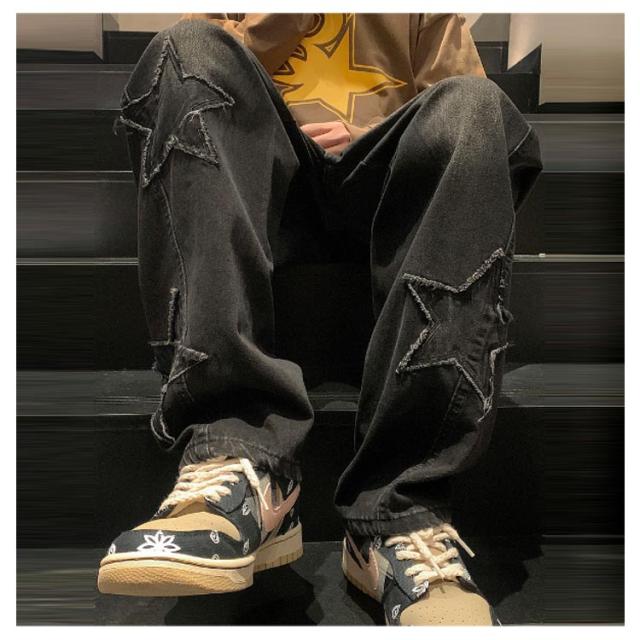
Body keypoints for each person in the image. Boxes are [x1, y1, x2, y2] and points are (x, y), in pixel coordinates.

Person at [96, 13, 542, 626]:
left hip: (385, 183)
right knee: (187, 48)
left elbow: (457, 102)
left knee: (475, 105)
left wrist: (368, 134)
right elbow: (203, 78)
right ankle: (238, 461)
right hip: (265, 183)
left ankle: (399, 514)